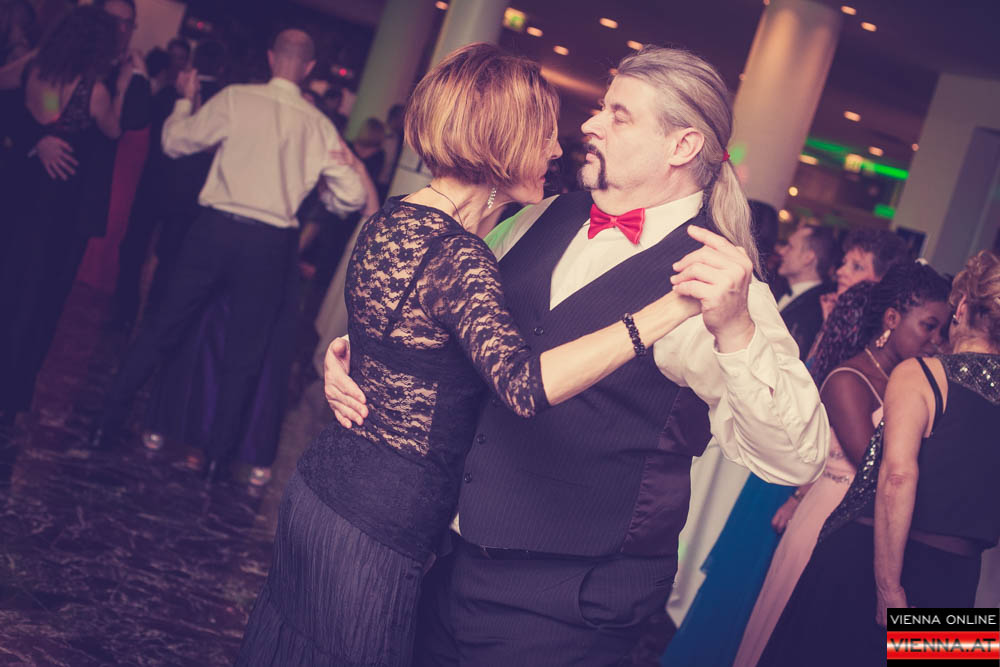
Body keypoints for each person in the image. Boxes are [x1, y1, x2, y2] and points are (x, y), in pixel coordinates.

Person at [323, 45, 829, 665]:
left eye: (619, 115)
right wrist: (364, 354)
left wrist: (737, 331)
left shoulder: (715, 279)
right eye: (600, 108)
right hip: (447, 565)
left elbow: (797, 456)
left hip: (570, 607)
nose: (590, 124)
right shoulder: (535, 218)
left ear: (682, 146)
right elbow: (448, 325)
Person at [236, 43, 706, 666]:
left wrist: (347, 354)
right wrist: (670, 309)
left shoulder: (395, 219)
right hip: (379, 523)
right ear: (503, 142)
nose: (556, 151)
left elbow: (400, 333)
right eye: (544, 134)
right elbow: (523, 386)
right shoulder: (461, 257)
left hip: (325, 491)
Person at [89, 29, 366, 479]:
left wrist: (185, 103)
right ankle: (217, 459)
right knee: (245, 352)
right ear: (309, 68)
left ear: (271, 58)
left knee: (162, 326)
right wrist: (325, 195)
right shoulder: (317, 125)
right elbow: (352, 194)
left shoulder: (237, 99)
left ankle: (106, 424)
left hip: (214, 231)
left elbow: (175, 142)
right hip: (270, 245)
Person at [760, 250, 1000, 667]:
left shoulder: (923, 373)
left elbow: (897, 477)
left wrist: (890, 590)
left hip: (873, 561)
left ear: (961, 307)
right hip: (960, 576)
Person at [732, 261, 950, 667]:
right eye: (929, 326)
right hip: (829, 521)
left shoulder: (910, 383)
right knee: (797, 644)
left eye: (944, 331)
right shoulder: (849, 380)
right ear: (892, 319)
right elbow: (876, 469)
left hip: (874, 526)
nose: (937, 341)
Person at [0, 5, 127, 426]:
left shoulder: (34, 68)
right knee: (40, 300)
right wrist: (122, 84)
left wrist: (35, 137)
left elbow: (30, 103)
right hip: (58, 207)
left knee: (8, 285)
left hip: (19, 192)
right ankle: (14, 394)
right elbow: (114, 129)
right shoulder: (95, 90)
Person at [806, 227, 910, 361]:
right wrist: (829, 324)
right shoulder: (839, 319)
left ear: (883, 281)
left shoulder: (872, 339)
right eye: (844, 263)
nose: (840, 271)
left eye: (857, 267)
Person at [775, 224, 839, 360]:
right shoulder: (777, 288)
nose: (782, 251)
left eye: (790, 247)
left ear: (808, 257)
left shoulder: (820, 307)